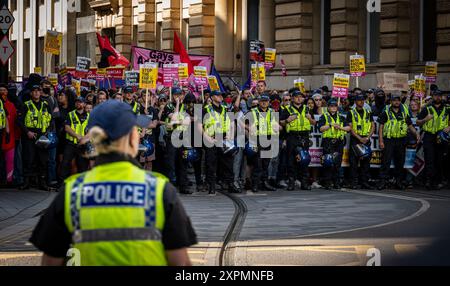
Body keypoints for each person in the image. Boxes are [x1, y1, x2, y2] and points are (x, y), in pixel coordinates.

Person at [29, 100, 197, 266]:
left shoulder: (72, 191)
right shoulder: (159, 190)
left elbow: (50, 261)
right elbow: (181, 264)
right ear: (132, 137)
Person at [377, 94, 420, 190]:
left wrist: (416, 134)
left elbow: (409, 125)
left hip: (401, 140)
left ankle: (399, 182)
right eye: (394, 100)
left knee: (400, 162)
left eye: (398, 100)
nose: (396, 102)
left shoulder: (404, 112)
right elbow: (381, 127)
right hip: (389, 140)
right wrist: (381, 140)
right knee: (386, 161)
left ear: (400, 101)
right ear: (391, 102)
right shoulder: (386, 112)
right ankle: (383, 181)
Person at [200, 90, 239, 194]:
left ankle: (230, 184)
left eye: (221, 95)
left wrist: (230, 137)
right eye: (218, 95)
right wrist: (207, 138)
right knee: (211, 163)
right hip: (211, 139)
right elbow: (199, 126)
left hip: (224, 139)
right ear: (212, 97)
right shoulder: (205, 109)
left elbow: (231, 123)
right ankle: (211, 186)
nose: (221, 97)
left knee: (228, 162)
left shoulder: (226, 109)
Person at [280, 90, 316, 191]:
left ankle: (304, 182)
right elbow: (281, 123)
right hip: (292, 136)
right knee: (291, 160)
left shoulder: (307, 109)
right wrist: (287, 120)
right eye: (296, 97)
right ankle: (291, 182)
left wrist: (310, 119)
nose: (299, 98)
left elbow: (314, 123)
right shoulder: (287, 109)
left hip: (304, 137)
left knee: (304, 159)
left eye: (301, 97)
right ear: (292, 98)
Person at [19, 85, 52, 190]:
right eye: (34, 91)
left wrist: (47, 132)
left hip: (42, 135)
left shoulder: (46, 105)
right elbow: (19, 121)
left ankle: (42, 183)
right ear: (31, 93)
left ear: (41, 93)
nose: (37, 93)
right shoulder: (26, 105)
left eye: (39, 91)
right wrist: (27, 132)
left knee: (43, 160)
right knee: (29, 159)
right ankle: (26, 182)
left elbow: (50, 120)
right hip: (29, 135)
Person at [417, 90, 450, 189]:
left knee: (440, 160)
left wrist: (449, 127)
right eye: (436, 96)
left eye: (440, 96)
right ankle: (428, 181)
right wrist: (425, 120)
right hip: (429, 136)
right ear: (432, 96)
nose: (438, 97)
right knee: (429, 159)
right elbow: (418, 122)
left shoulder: (447, 108)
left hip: (441, 136)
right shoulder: (427, 108)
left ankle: (438, 181)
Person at [246, 93, 278, 192]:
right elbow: (241, 122)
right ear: (259, 102)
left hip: (268, 139)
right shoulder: (253, 111)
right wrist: (249, 128)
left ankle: (264, 183)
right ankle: (255, 184)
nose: (264, 103)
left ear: (269, 102)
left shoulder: (272, 112)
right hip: (257, 139)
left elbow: (275, 125)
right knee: (258, 164)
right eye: (262, 101)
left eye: (266, 101)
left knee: (266, 163)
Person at [318, 98, 350, 190]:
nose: (333, 107)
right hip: (328, 142)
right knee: (328, 162)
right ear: (328, 107)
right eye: (331, 106)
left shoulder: (341, 117)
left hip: (339, 142)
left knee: (337, 162)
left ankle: (336, 182)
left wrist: (340, 127)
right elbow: (320, 129)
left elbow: (348, 128)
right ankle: (327, 182)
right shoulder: (324, 116)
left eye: (335, 106)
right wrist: (330, 125)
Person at [347, 94, 375, 190]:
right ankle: (353, 182)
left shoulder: (368, 112)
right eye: (359, 100)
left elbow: (373, 126)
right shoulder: (351, 112)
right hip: (356, 139)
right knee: (353, 163)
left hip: (366, 139)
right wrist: (359, 138)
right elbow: (350, 128)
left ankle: (364, 182)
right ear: (355, 102)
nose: (361, 102)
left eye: (363, 100)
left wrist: (367, 137)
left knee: (366, 163)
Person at [61, 97, 90, 179]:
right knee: (65, 163)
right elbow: (67, 128)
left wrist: (85, 138)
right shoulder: (70, 114)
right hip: (70, 144)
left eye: (80, 102)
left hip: (83, 145)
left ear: (84, 104)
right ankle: (62, 183)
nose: (78, 104)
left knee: (83, 166)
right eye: (77, 102)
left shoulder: (89, 116)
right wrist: (77, 136)